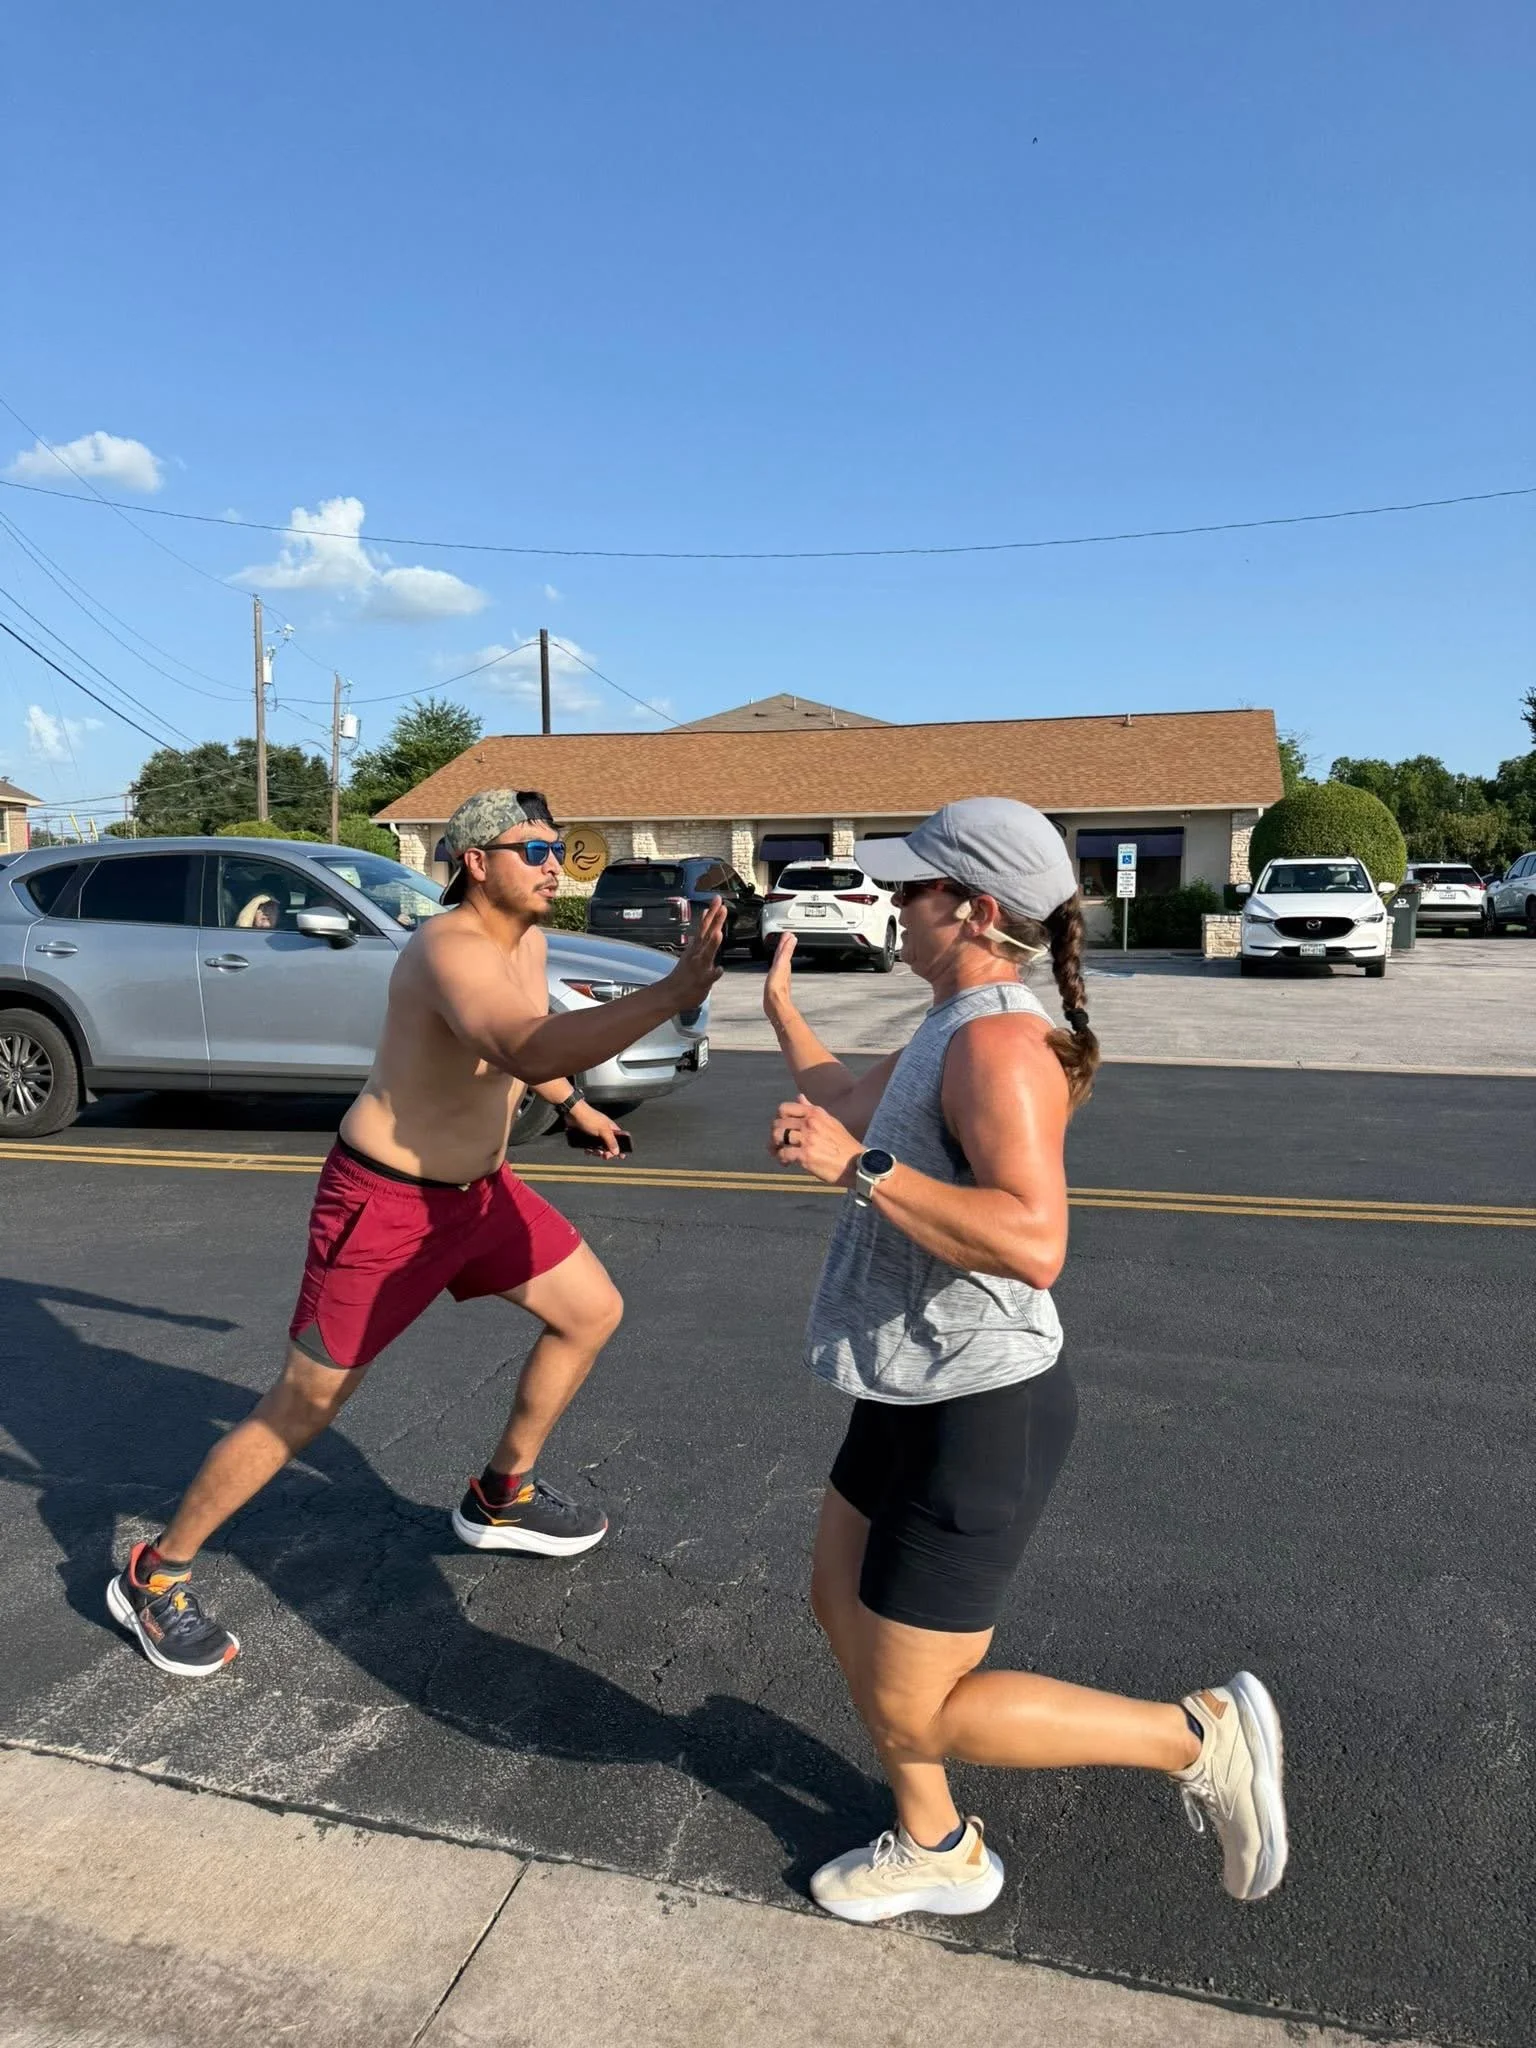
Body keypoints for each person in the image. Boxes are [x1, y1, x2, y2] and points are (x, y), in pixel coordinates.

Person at [764, 798, 1286, 1922]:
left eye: (913, 888)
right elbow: (851, 1103)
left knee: (919, 1709)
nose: (894, 905)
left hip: (980, 1406)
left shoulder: (1001, 1041)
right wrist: (781, 1010)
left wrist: (862, 1172)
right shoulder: (945, 1028)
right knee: (834, 1597)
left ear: (974, 908)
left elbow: (1035, 1240)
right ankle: (934, 1841)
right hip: (908, 1384)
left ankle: (1199, 1736)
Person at [107, 788, 724, 1678]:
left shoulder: (531, 940)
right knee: (306, 1406)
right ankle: (154, 1574)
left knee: (590, 1310)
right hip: (384, 1205)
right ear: (476, 861)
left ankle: (500, 1496)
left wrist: (574, 1105)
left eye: (558, 849)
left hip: (480, 1195)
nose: (557, 864)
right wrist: (670, 992)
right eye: (535, 849)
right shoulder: (446, 947)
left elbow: (529, 1049)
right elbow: (522, 1044)